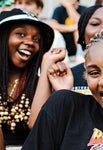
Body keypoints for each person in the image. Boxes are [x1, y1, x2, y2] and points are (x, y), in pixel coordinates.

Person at [0, 8, 54, 146]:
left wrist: (46, 66)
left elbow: (37, 126)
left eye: (36, 39)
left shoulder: (40, 84)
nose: (30, 42)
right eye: (21, 34)